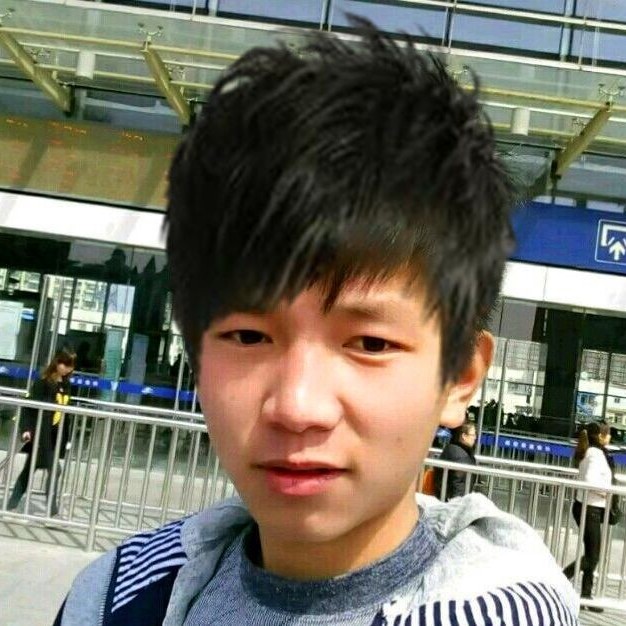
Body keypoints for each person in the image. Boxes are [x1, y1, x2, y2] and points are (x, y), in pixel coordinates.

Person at [54, 20, 578, 625]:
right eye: (249, 336)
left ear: (460, 376)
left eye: (371, 343)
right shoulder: (118, 599)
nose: (297, 406)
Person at [7, 349, 75, 517]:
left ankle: (10, 504)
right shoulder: (43, 382)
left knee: (29, 470)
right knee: (55, 470)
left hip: (54, 437)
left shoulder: (66, 384)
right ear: (57, 362)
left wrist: (66, 438)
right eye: (64, 364)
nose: (67, 368)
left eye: (70, 365)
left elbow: (65, 413)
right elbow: (28, 407)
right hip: (41, 436)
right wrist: (26, 429)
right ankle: (52, 512)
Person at [563, 422, 613, 612]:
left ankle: (586, 595)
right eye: (607, 434)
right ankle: (562, 578)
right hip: (589, 508)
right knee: (593, 556)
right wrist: (606, 492)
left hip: (588, 507)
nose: (610, 437)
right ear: (600, 436)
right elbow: (590, 480)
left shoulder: (592, 452)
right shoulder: (595, 454)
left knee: (592, 554)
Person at [434, 420, 477, 500]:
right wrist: (458, 504)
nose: (475, 438)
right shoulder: (462, 457)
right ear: (464, 436)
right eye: (473, 435)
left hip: (443, 498)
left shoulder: (451, 449)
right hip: (454, 501)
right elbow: (459, 486)